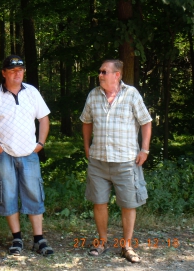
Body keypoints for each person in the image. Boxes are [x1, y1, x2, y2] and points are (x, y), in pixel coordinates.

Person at [0, 55, 54, 256]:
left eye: (21, 70)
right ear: (4, 73)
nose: (18, 73)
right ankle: (16, 238)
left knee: (34, 193)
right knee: (7, 194)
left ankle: (39, 239)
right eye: (13, 70)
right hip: (4, 154)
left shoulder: (32, 92)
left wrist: (40, 143)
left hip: (29, 154)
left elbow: (44, 118)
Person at [80, 59, 152, 263]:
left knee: (128, 204)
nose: (100, 75)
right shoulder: (93, 95)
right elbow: (86, 121)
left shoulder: (131, 94)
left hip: (126, 160)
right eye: (100, 71)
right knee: (99, 202)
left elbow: (146, 122)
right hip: (99, 161)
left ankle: (127, 246)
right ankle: (102, 242)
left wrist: (144, 149)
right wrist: (87, 147)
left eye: (104, 72)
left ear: (117, 75)